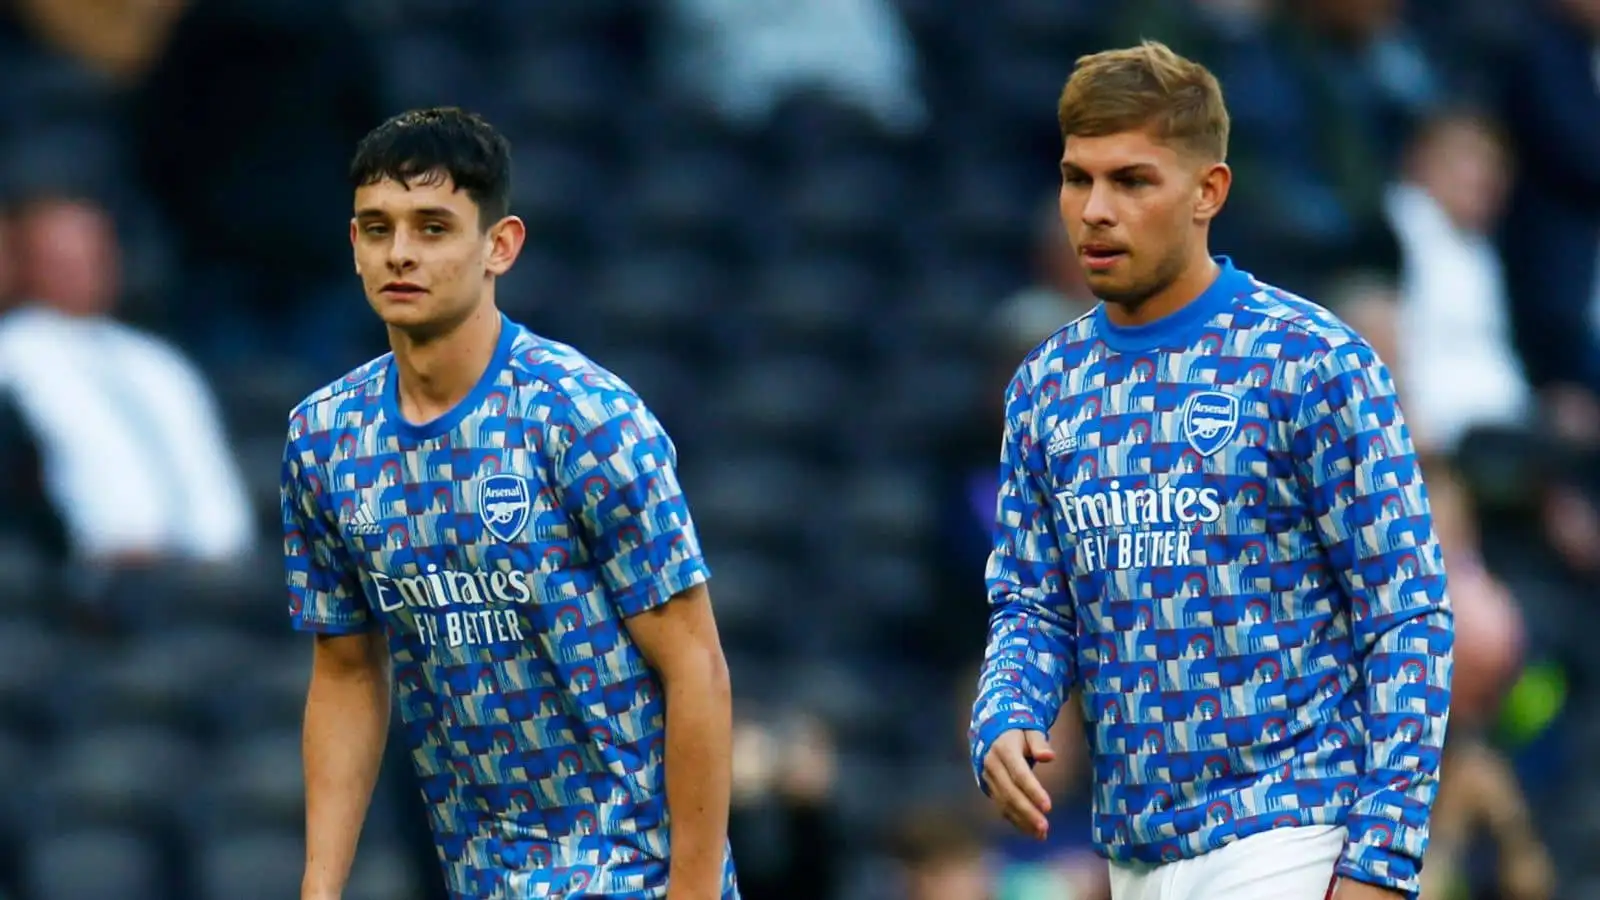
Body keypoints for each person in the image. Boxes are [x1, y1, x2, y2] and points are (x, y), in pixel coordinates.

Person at [968, 42, 1453, 900]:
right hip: (1137, 857)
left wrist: (1382, 858)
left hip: (1291, 837)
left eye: (1132, 180)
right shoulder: (1045, 389)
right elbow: (1035, 606)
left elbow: (1407, 615)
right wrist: (1006, 712)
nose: (1094, 211)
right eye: (1078, 179)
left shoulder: (1310, 362)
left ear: (1208, 192)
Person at [281, 107, 739, 900]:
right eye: (377, 228)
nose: (401, 254)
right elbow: (348, 671)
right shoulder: (325, 440)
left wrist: (694, 891)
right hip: (480, 876)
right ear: (352, 245)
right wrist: (320, 888)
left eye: (432, 227)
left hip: (630, 868)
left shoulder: (584, 417)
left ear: (500, 245)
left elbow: (695, 665)